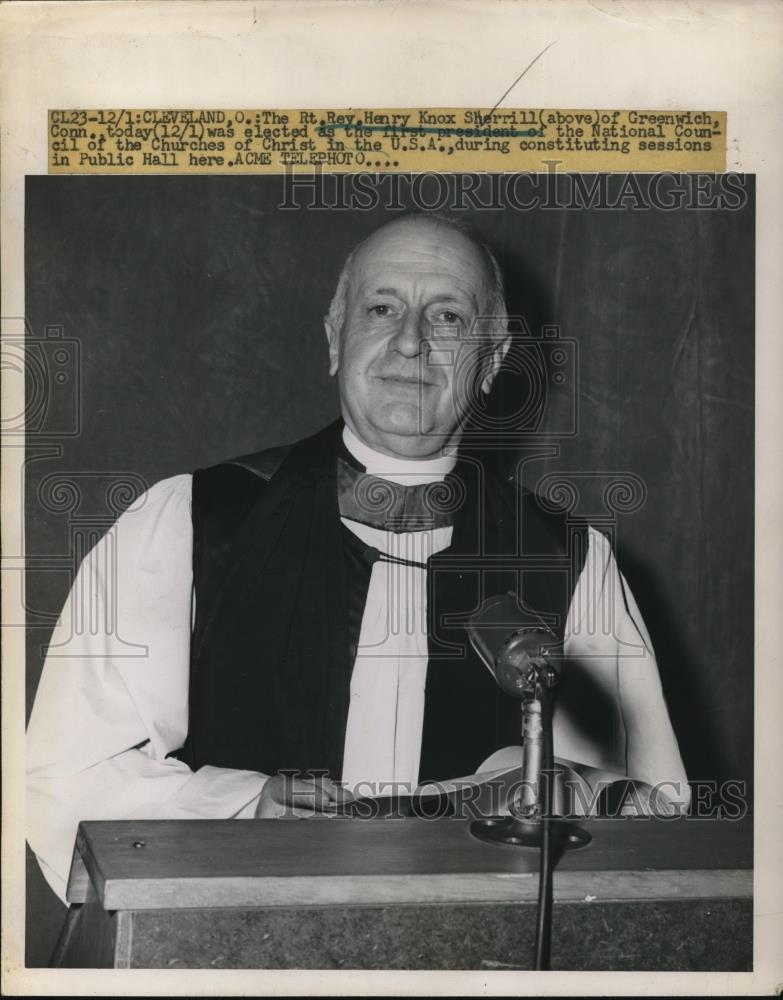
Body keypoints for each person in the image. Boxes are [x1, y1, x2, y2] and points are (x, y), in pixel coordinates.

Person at [27, 213, 690, 904]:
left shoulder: (569, 560)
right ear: (334, 337)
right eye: (381, 308)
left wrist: (569, 792)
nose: (410, 342)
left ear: (493, 360)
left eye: (447, 317)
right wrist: (245, 807)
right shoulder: (191, 522)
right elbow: (67, 777)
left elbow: (653, 831)